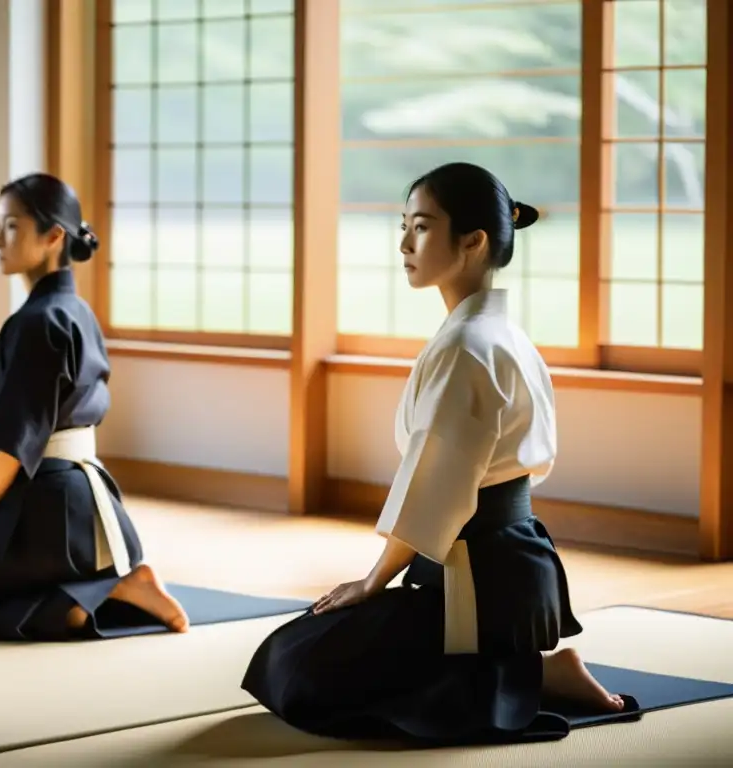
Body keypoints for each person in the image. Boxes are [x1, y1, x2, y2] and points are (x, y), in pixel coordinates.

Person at [241, 162, 637, 744]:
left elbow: (437, 490)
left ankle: (526, 674)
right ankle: (519, 667)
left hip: (479, 582)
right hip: (506, 571)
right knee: (306, 648)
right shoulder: (498, 333)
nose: (404, 243)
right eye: (403, 225)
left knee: (294, 667)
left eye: (422, 227)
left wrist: (372, 581)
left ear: (473, 242)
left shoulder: (468, 347)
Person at [0, 172, 189, 641]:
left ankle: (111, 591)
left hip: (52, 509)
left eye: (11, 226)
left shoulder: (41, 322)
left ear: (54, 236)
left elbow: (19, 441)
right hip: (86, 507)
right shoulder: (74, 311)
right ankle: (89, 597)